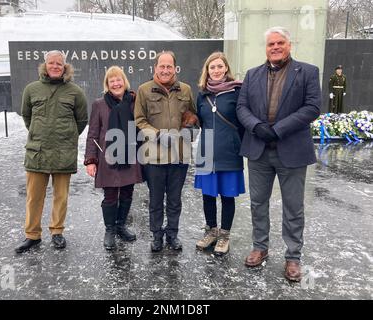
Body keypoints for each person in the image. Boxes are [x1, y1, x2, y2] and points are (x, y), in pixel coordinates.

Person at [236, 26, 321, 281]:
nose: (275, 47)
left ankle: (293, 257)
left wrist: (279, 129)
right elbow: (242, 107)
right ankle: (260, 247)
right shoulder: (252, 75)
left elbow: (312, 107)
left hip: (292, 151)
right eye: (271, 44)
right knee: (257, 203)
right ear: (266, 48)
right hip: (259, 150)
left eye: (280, 43)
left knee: (293, 207)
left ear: (289, 45)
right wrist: (257, 126)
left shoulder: (307, 72)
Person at [15, 50, 88, 253]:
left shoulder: (75, 91)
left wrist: (68, 137)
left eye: (59, 63)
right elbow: (27, 116)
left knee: (60, 196)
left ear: (65, 67)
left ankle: (57, 231)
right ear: (45, 66)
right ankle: (32, 235)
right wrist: (40, 133)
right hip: (37, 151)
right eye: (51, 63)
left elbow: (82, 120)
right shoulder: (31, 89)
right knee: (34, 196)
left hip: (63, 152)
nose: (55, 66)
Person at [134, 51, 197, 252]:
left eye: (169, 66)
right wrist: (158, 134)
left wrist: (190, 126)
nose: (165, 70)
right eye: (162, 66)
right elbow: (139, 120)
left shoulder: (185, 90)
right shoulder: (144, 90)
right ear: (155, 68)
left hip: (179, 155)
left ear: (175, 69)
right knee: (155, 200)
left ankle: (172, 234)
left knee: (174, 199)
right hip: (154, 156)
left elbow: (194, 116)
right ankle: (156, 235)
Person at [84, 66, 143, 250]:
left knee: (127, 193)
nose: (116, 83)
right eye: (112, 81)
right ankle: (109, 230)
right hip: (108, 158)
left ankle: (121, 226)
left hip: (130, 156)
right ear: (107, 85)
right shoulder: (99, 104)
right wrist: (91, 159)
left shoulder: (134, 102)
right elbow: (93, 133)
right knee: (110, 196)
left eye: (119, 80)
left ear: (124, 81)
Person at [194, 52, 245, 256]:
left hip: (229, 152)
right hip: (206, 152)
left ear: (226, 68)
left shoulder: (236, 91)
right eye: (211, 67)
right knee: (208, 195)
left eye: (219, 66)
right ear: (207, 71)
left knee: (227, 196)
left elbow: (243, 122)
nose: (215, 70)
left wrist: (238, 143)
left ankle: (224, 235)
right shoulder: (202, 94)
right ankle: (211, 231)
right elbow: (198, 120)